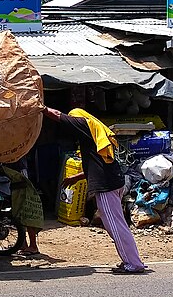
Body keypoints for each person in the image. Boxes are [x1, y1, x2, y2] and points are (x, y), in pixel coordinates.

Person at [43, 106, 147, 274]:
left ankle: (133, 264)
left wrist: (39, 107)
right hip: (113, 183)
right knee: (118, 224)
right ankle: (132, 260)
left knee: (114, 226)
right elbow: (97, 165)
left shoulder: (85, 125)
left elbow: (57, 115)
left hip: (107, 186)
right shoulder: (96, 133)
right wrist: (76, 177)